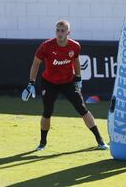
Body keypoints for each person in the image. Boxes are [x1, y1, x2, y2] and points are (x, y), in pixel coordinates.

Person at [21, 20, 109, 151]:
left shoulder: (75, 46)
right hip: (49, 83)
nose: (59, 33)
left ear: (68, 32)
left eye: (62, 31)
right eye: (57, 30)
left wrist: (78, 78)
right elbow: (36, 63)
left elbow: (76, 61)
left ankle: (100, 140)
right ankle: (42, 142)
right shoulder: (46, 46)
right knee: (47, 112)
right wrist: (31, 83)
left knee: (82, 109)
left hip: (68, 82)